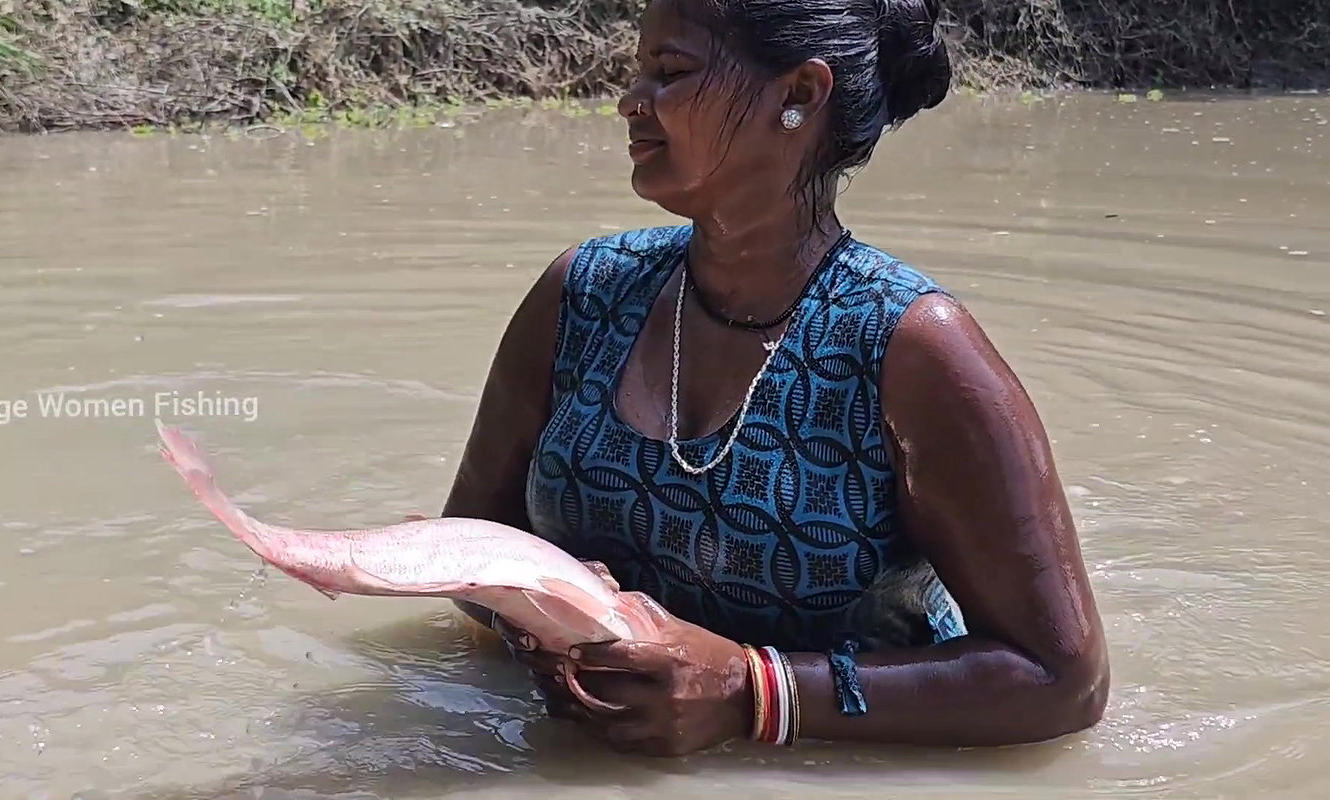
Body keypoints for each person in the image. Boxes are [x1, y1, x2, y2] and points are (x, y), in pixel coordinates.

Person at [434, 0, 1109, 757]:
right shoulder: (583, 295)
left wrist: (755, 693)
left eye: (671, 72)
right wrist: (554, 607)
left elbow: (1065, 680)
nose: (629, 99)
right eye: (639, 68)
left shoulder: (910, 348)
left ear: (798, 95)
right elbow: (464, 552)